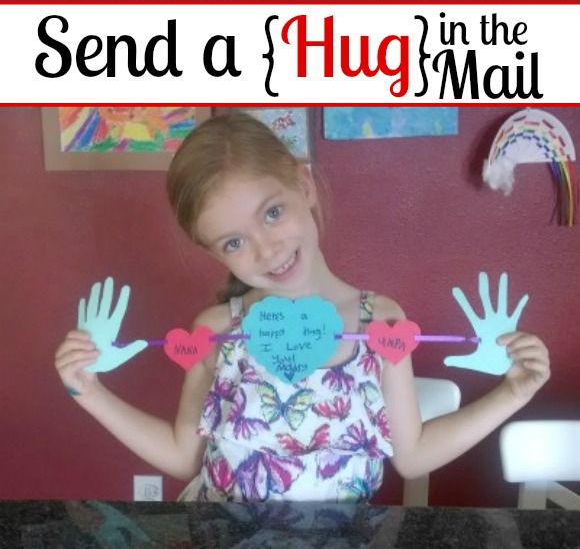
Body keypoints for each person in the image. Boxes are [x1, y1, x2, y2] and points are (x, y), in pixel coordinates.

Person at [54, 111, 550, 503]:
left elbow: (413, 455)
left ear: (304, 187)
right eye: (233, 242)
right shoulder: (218, 333)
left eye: (273, 212)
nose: (267, 249)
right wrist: (88, 390)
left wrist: (513, 392)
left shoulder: (381, 322)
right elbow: (186, 456)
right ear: (212, 253)